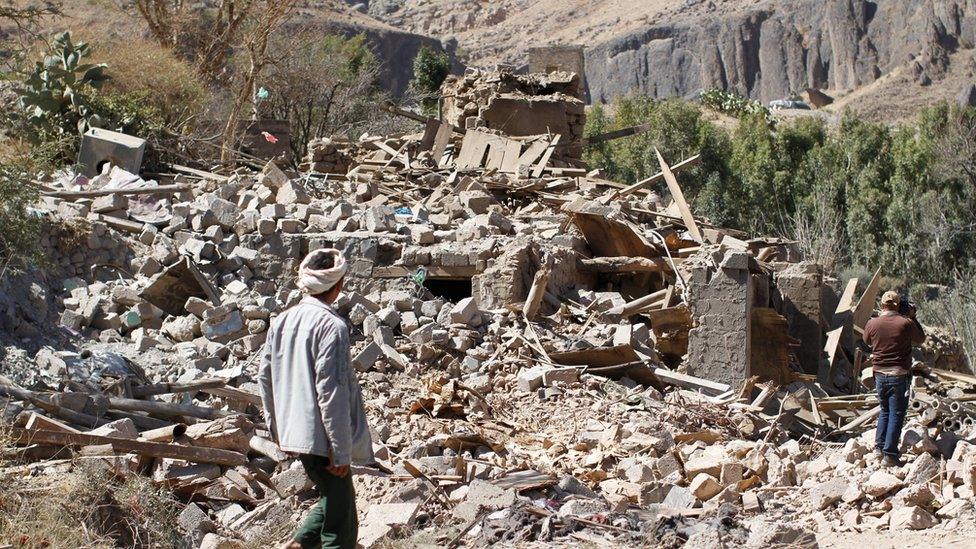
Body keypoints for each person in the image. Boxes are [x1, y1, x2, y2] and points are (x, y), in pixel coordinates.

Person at [258, 248, 373, 549]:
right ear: (338, 286)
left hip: (296, 433)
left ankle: (297, 545)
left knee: (336, 500)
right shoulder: (331, 327)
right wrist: (339, 449)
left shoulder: (282, 321)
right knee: (341, 527)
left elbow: (264, 378)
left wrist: (277, 428)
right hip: (323, 439)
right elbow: (331, 390)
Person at [863, 290, 925, 467]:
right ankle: (889, 455)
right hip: (899, 375)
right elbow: (920, 339)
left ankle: (879, 449)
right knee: (896, 414)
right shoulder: (905, 323)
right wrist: (913, 317)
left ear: (882, 305)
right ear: (898, 305)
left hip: (880, 375)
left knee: (884, 410)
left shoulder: (872, 323)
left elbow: (867, 341)